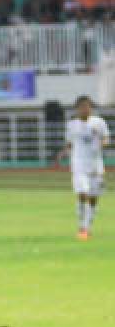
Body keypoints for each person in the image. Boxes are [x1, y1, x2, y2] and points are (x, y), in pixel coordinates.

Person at [54, 95, 110, 240]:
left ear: (91, 107)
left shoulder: (99, 123)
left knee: (93, 197)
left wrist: (102, 143)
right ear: (77, 109)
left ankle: (88, 226)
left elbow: (106, 139)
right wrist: (63, 153)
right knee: (83, 192)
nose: (85, 109)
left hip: (95, 164)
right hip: (78, 163)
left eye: (88, 106)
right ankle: (82, 227)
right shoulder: (72, 125)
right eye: (82, 107)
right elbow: (70, 143)